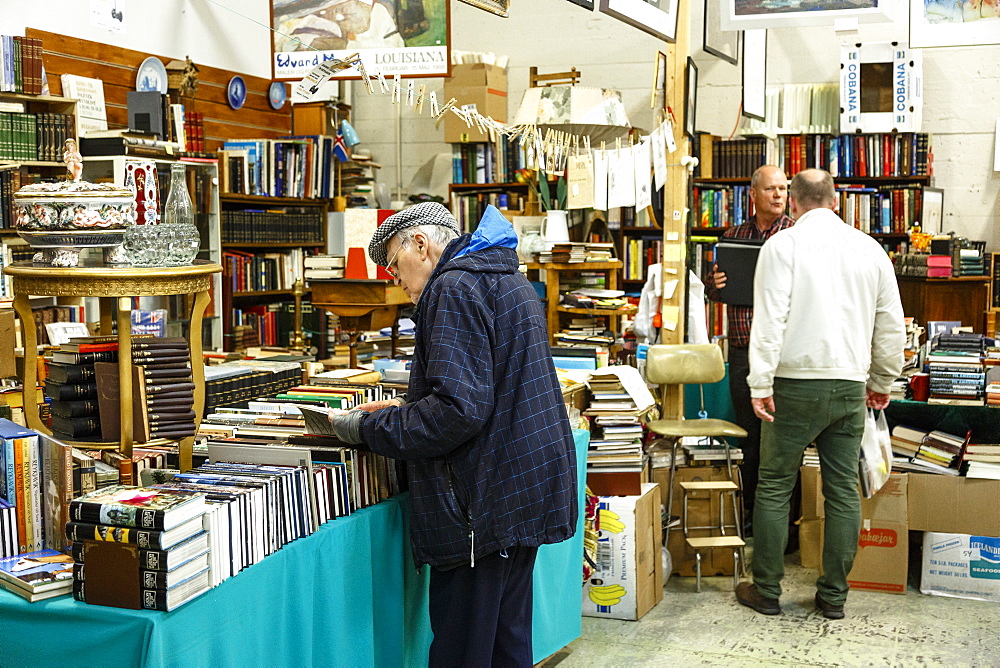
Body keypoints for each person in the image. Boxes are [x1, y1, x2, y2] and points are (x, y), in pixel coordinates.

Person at [323, 202, 578, 666]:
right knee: (506, 643)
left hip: (481, 508)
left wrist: (368, 426)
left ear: (420, 245)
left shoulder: (453, 288)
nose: (396, 282)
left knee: (464, 651)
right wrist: (409, 406)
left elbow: (458, 413)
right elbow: (492, 387)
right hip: (523, 493)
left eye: (395, 266)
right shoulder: (503, 275)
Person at [735, 169, 905, 620]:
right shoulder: (871, 250)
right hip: (849, 384)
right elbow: (891, 325)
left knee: (774, 484)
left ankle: (767, 590)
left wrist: (759, 382)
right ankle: (833, 597)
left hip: (793, 383)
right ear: (836, 200)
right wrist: (883, 381)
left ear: (793, 203)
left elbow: (769, 320)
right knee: (843, 493)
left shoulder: (782, 246)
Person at [703, 165, 793, 533]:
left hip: (783, 358)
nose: (778, 196)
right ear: (752, 193)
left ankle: (785, 525)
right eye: (770, 189)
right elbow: (717, 294)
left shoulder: (794, 234)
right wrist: (715, 283)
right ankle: (753, 519)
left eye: (783, 190)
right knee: (750, 443)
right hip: (743, 353)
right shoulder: (733, 236)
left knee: (784, 445)